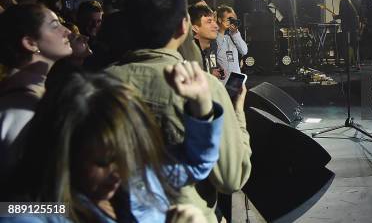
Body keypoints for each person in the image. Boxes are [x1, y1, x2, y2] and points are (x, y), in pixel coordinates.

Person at [105, 0, 251, 222]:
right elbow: (231, 178)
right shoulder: (202, 87)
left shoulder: (96, 85)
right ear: (184, 27)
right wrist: (238, 114)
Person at [5, 65, 223, 223]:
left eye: (132, 153)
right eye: (103, 161)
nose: (121, 171)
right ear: (62, 151)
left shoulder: (135, 173)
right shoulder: (26, 212)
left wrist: (201, 104)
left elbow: (194, 163)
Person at [0, 4, 72, 178]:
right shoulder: (21, 108)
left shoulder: (25, 94)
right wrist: (69, 207)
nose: (67, 31)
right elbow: (19, 201)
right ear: (30, 43)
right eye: (55, 25)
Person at [188, 4, 223, 80]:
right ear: (195, 28)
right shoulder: (188, 58)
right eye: (209, 21)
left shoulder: (207, 50)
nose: (216, 26)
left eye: (214, 21)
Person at [215, 5, 248, 84]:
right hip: (222, 82)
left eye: (233, 19)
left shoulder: (232, 36)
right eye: (229, 19)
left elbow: (244, 51)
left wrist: (235, 33)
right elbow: (216, 48)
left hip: (236, 81)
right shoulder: (213, 36)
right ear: (220, 20)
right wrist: (222, 30)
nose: (231, 21)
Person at [336, 0, 363, 67]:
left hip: (346, 27)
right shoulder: (359, 2)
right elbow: (361, 16)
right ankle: (357, 64)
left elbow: (342, 15)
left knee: (346, 46)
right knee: (355, 46)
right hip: (355, 27)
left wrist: (335, 17)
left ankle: (348, 64)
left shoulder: (342, 2)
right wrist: (361, 29)